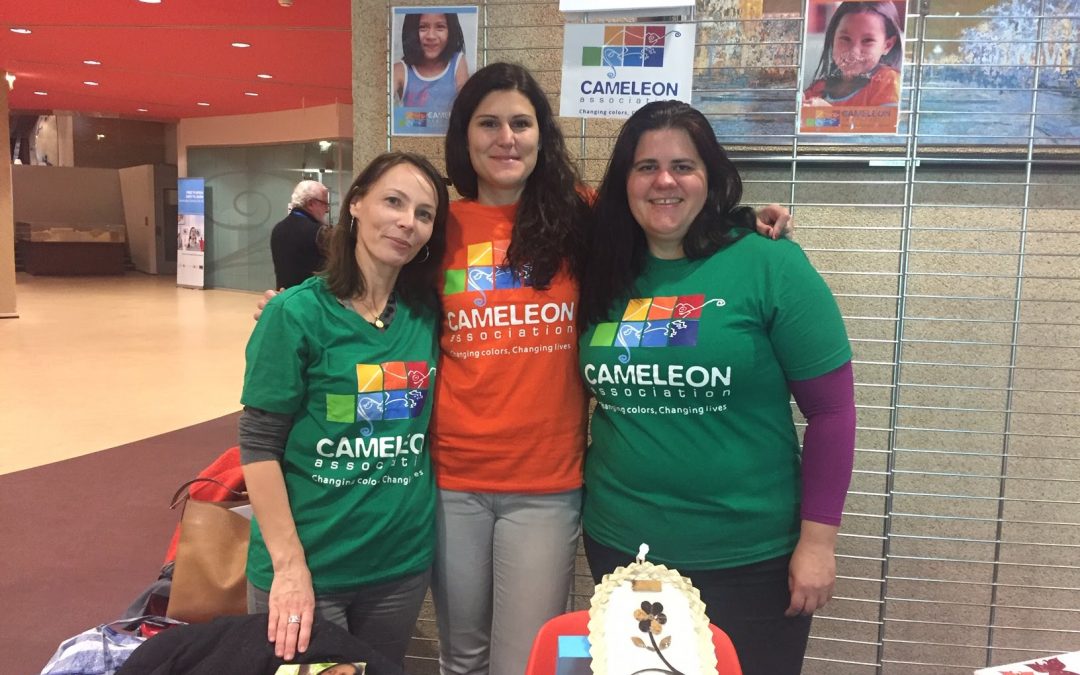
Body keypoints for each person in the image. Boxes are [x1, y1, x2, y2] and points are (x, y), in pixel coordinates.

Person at [431, 63, 796, 675]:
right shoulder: (440, 225)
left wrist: (744, 218)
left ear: (542, 136)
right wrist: (297, 299)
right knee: (460, 656)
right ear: (464, 137)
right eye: (488, 123)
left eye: (521, 123)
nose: (506, 138)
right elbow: (374, 277)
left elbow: (668, 205)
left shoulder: (580, 217)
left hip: (545, 484)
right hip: (450, 479)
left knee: (523, 663)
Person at [577, 100, 856, 675]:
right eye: (645, 166)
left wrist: (819, 543)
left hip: (751, 559)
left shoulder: (769, 264)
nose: (664, 181)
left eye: (684, 165)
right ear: (623, 182)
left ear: (711, 178)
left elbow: (832, 413)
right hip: (625, 550)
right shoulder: (601, 268)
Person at [239, 152, 448, 669]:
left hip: (398, 567)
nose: (407, 222)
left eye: (424, 214)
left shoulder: (426, 317)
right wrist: (289, 569)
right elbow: (259, 447)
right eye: (393, 202)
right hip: (309, 569)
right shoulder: (294, 314)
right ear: (355, 204)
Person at [803, 1, 903, 107]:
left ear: (887, 45)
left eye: (867, 40)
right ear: (833, 39)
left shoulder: (888, 82)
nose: (854, 51)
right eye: (845, 39)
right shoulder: (819, 88)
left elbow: (885, 123)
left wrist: (828, 115)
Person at [392, 12, 469, 107]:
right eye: (422, 27)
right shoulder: (400, 70)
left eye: (440, 27)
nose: (431, 36)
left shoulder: (457, 62)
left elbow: (466, 105)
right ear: (411, 31)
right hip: (413, 122)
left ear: (451, 31)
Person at [271, 180, 331, 289]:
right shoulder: (319, 232)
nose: (327, 209)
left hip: (286, 298)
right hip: (311, 300)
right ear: (311, 203)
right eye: (325, 204)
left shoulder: (278, 228)